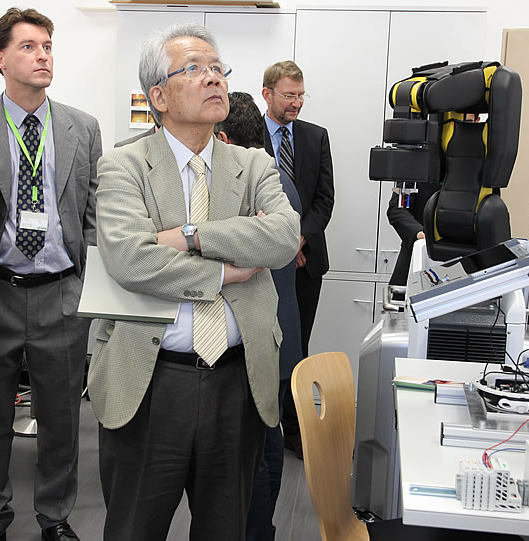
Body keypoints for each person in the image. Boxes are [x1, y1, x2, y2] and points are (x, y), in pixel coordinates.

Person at [90, 23, 300, 541]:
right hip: (150, 378)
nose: (214, 79)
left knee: (226, 527)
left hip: (237, 378)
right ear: (158, 95)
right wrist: (226, 269)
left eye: (217, 68)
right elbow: (129, 259)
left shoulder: (253, 164)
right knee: (134, 527)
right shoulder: (124, 165)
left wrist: (186, 235)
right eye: (195, 69)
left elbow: (282, 238)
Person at [0, 8, 101, 541]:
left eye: (47, 45)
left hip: (61, 293)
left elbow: (91, 214)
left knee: (63, 419)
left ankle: (55, 517)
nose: (43, 55)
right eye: (28, 46)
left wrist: (87, 288)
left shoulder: (81, 127)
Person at [215, 91, 302, 541]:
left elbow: (253, 248)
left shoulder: (259, 184)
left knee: (256, 455)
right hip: (269, 336)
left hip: (258, 340)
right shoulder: (274, 178)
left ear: (224, 137)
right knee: (264, 447)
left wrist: (191, 237)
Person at [261, 60, 334, 458]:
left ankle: (294, 430)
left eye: (301, 95)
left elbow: (325, 198)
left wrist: (299, 240)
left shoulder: (315, 137)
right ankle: (262, 426)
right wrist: (281, 245)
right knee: (261, 344)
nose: (297, 103)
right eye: (289, 95)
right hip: (259, 265)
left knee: (297, 348)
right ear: (267, 93)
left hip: (306, 262)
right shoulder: (246, 136)